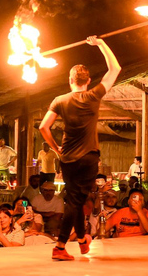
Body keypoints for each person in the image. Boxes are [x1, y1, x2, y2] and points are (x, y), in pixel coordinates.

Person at [39, 36, 121, 260]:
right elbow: (115, 68)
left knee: (73, 200)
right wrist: (101, 44)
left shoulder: (59, 100)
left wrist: (56, 149)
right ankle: (60, 246)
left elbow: (43, 127)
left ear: (70, 80)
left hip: (67, 159)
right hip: (87, 158)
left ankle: (83, 239)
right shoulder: (94, 95)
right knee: (76, 201)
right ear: (89, 80)